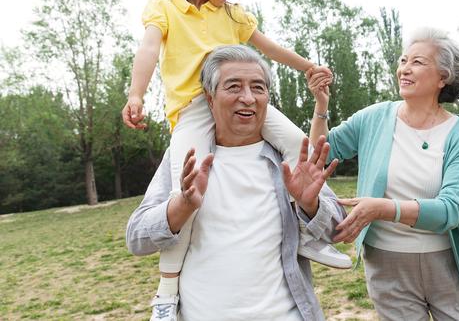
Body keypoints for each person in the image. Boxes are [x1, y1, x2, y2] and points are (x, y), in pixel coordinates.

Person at [121, 0, 349, 321]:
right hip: (193, 109)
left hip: (237, 98)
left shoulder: (233, 15)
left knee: (300, 147)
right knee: (184, 191)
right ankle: (167, 287)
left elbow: (268, 47)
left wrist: (309, 67)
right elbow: (148, 49)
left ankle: (311, 235)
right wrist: (136, 95)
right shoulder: (166, 9)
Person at [127, 46, 346, 321]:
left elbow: (337, 230)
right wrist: (181, 206)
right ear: (210, 99)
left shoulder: (290, 159)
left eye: (258, 88)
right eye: (233, 87)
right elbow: (137, 238)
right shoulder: (185, 158)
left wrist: (309, 204)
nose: (248, 98)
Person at [308, 27, 459, 320]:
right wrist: (321, 105)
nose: (405, 68)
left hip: (445, 261)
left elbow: (453, 209)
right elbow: (320, 155)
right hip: (385, 262)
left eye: (418, 62)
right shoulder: (374, 117)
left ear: (443, 78)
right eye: (403, 60)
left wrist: (382, 209)